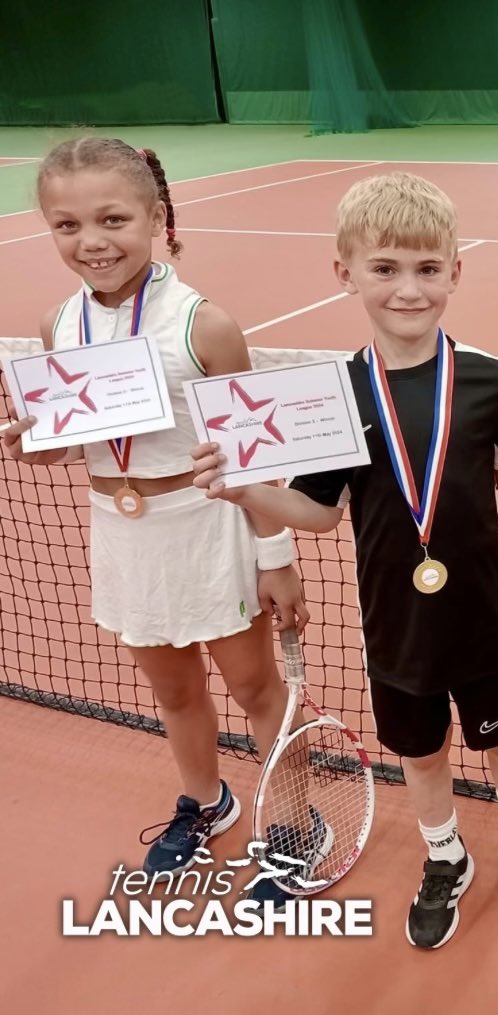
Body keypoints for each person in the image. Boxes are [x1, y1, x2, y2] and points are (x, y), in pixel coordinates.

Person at [191, 171, 498, 949]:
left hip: (481, 620)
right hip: (395, 627)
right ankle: (444, 855)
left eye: (428, 269)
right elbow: (321, 513)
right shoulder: (332, 393)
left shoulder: (493, 381)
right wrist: (246, 494)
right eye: (386, 268)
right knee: (422, 754)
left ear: (455, 272)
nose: (408, 288)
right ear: (346, 272)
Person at [0, 138, 308, 901]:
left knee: (254, 687)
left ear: (156, 216)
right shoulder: (56, 325)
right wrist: (38, 446)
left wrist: (276, 554)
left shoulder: (205, 325)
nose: (91, 241)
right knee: (173, 692)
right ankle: (208, 801)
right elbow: (77, 445)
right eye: (66, 225)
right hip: (123, 531)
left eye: (111, 218)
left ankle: (298, 824)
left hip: (206, 528)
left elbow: (255, 455)